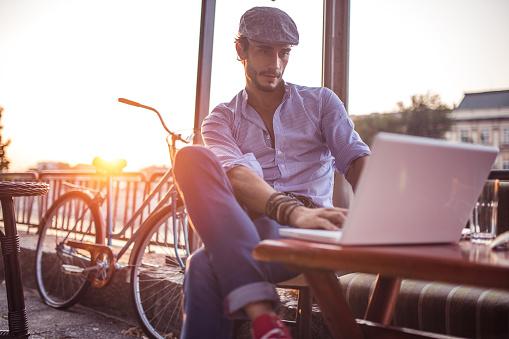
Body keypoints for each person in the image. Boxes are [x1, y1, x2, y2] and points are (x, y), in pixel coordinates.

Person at [173, 6, 370, 339]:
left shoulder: (321, 102)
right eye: (265, 50)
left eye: (284, 53)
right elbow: (235, 175)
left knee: (203, 266)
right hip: (254, 228)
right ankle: (264, 317)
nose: (275, 63)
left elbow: (355, 159)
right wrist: (290, 211)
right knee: (190, 157)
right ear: (241, 50)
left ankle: (263, 319)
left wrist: (379, 216)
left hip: (311, 232)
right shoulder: (221, 119)